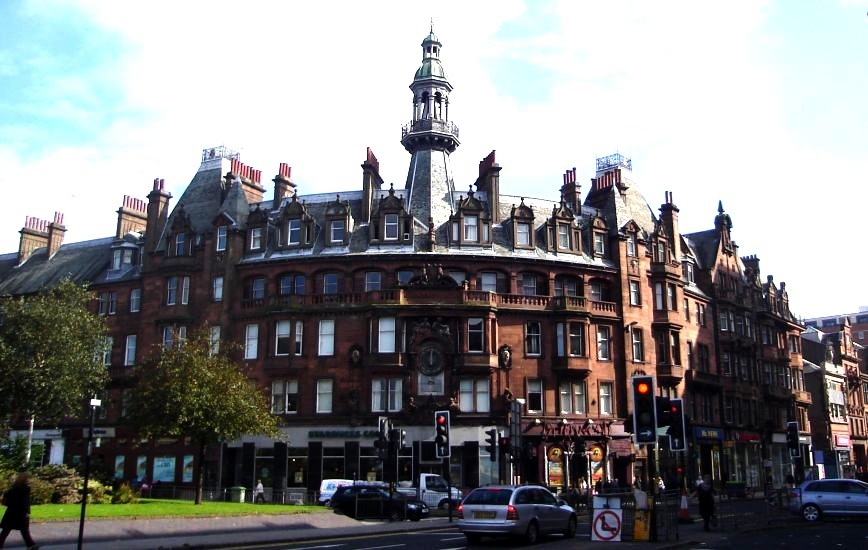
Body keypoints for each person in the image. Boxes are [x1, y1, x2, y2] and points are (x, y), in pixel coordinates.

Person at [0, 472, 38, 549]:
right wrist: (27, 512)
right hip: (21, 513)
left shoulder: (12, 489)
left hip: (11, 512)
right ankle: (31, 545)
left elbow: (5, 501)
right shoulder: (26, 489)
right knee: (24, 530)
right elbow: (25, 502)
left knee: (6, 530)